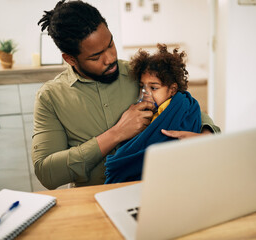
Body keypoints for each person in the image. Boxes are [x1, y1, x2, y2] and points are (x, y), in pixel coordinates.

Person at [33, 0, 220, 190]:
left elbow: (185, 106)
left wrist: (206, 135)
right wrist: (116, 133)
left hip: (154, 190)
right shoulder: (50, 97)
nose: (110, 58)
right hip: (92, 199)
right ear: (70, 59)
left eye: (110, 44)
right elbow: (47, 173)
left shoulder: (141, 73)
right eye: (96, 57)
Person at [104, 43, 208, 183]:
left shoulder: (181, 107)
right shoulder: (146, 110)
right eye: (142, 87)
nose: (146, 93)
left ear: (172, 90)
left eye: (154, 88)